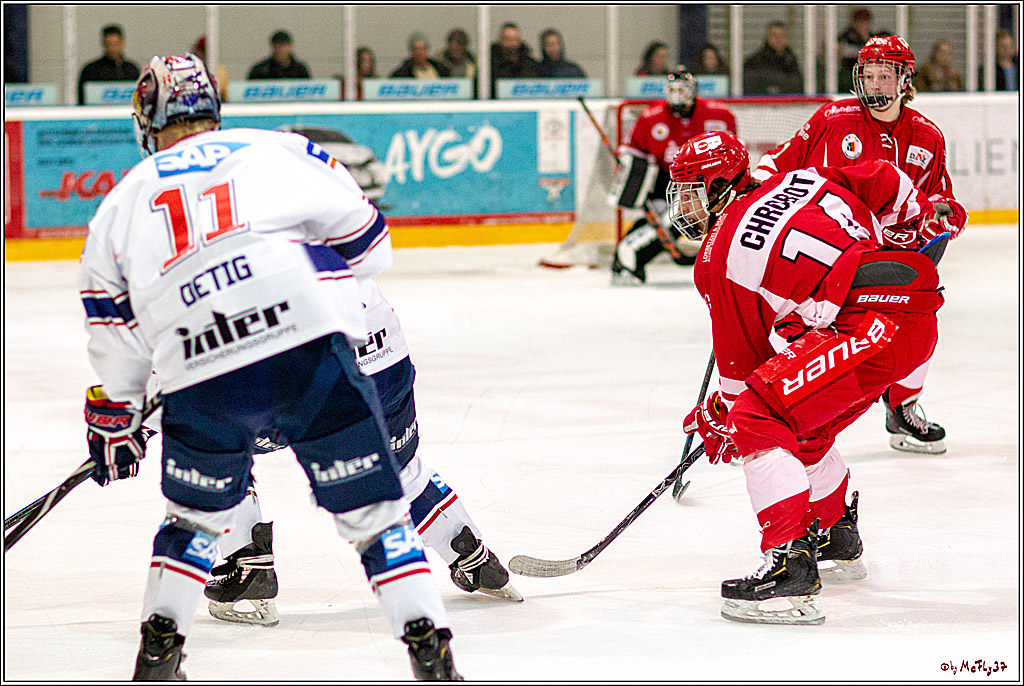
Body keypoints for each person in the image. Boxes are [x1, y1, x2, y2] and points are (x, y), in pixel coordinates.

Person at [78, 53, 460, 680]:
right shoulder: (274, 151)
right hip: (307, 355)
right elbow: (371, 246)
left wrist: (115, 415)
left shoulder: (118, 205)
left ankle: (159, 656)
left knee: (194, 523)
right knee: (375, 518)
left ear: (147, 119)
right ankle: (431, 653)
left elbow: (115, 333)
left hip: (204, 373)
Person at [669, 131, 948, 625]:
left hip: (866, 325)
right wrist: (917, 215)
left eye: (691, 190)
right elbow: (884, 178)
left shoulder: (717, 258)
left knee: (759, 415)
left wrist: (726, 418)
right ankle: (835, 530)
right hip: (907, 305)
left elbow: (745, 377)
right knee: (798, 420)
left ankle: (788, 568)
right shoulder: (801, 177)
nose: (683, 205)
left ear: (718, 187)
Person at [202, 275, 523, 628]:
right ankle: (473, 559)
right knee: (401, 472)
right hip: (386, 365)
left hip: (312, 385)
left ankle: (248, 567)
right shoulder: (327, 228)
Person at [753, 35, 968, 454]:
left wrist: (945, 215)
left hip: (889, 257)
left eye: (884, 76)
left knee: (921, 323)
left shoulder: (927, 136)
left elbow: (941, 196)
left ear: (905, 79)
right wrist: (752, 197)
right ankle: (765, 417)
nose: (874, 85)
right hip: (824, 254)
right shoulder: (833, 119)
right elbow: (776, 164)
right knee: (795, 333)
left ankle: (901, 407)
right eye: (868, 75)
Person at [609, 66, 737, 285]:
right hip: (665, 181)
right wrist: (634, 177)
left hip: (703, 183)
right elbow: (632, 151)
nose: (677, 96)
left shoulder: (719, 114)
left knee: (679, 218)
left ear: (693, 91)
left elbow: (731, 152)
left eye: (682, 90)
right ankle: (625, 258)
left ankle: (627, 257)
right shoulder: (651, 116)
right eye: (673, 90)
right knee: (663, 220)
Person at [77, 24, 140, 105]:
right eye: (109, 44)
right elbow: (83, 101)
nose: (113, 49)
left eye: (116, 44)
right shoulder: (91, 71)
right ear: (103, 44)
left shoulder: (132, 70)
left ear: (122, 43)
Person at [742, 21, 803, 95]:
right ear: (767, 38)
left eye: (782, 35)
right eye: (774, 35)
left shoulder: (791, 60)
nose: (778, 39)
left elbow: (799, 85)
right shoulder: (754, 62)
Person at [490, 22, 541, 97]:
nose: (511, 44)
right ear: (500, 41)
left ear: (519, 41)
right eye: (507, 39)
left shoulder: (530, 65)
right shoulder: (489, 66)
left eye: (514, 39)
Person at [837, 8, 873, 93]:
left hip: (867, 72)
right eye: (860, 21)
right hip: (849, 72)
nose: (863, 25)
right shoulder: (846, 37)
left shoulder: (873, 37)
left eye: (865, 21)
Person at [190, 35, 229, 102]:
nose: (195, 53)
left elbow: (222, 95)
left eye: (198, 51)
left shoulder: (219, 71)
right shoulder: (188, 69)